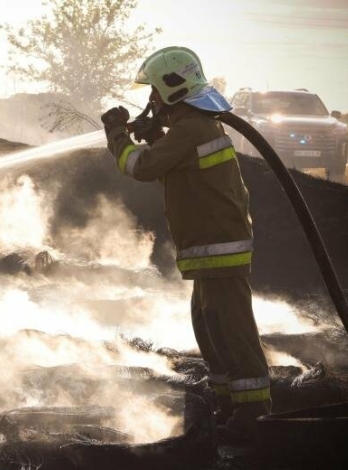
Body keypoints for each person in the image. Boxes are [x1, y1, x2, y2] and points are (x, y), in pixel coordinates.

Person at [100, 46, 271, 441]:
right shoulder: (192, 129)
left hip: (219, 249)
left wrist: (117, 135)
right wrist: (157, 134)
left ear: (172, 90)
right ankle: (231, 403)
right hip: (211, 249)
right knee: (210, 325)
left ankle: (254, 412)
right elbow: (178, 164)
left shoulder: (192, 129)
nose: (152, 101)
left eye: (155, 93)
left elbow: (140, 167)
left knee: (232, 327)